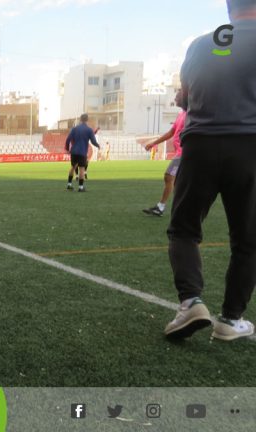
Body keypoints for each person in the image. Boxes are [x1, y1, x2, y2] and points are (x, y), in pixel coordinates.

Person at [163, 0, 256, 341]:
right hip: (250, 146)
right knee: (248, 240)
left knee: (184, 229)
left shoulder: (204, 44)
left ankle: (190, 302)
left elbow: (186, 98)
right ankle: (231, 320)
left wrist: (184, 100)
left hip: (201, 143)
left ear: (230, 8)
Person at [142, 90, 187, 217]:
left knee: (169, 176)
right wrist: (153, 143)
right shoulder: (181, 114)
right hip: (180, 153)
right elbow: (171, 133)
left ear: (185, 97)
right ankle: (167, 207)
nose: (175, 99)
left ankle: (161, 207)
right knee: (177, 181)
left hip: (184, 153)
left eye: (178, 97)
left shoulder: (191, 115)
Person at [65, 114, 100, 192]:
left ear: (80, 119)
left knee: (73, 167)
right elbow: (93, 141)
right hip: (82, 152)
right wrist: (98, 145)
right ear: (87, 120)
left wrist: (67, 149)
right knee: (81, 169)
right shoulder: (89, 130)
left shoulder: (74, 129)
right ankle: (81, 187)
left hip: (74, 151)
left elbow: (68, 140)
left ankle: (69, 185)